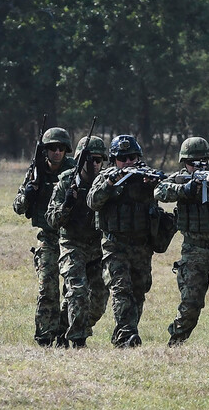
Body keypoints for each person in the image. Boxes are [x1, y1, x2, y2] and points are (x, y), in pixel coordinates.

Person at [154, 137, 209, 348]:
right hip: (193, 249)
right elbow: (159, 191)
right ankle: (176, 342)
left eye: (202, 162)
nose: (198, 166)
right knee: (190, 302)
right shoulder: (181, 179)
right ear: (184, 163)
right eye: (193, 163)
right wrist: (186, 189)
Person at [87, 134, 161, 348]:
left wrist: (152, 185)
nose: (128, 162)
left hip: (141, 245)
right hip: (114, 244)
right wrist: (110, 184)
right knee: (121, 289)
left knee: (139, 291)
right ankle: (127, 336)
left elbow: (166, 192)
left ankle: (124, 333)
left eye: (132, 158)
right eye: (122, 158)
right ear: (114, 160)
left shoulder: (147, 176)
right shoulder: (106, 177)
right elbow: (92, 201)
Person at [46, 135, 109, 349]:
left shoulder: (106, 183)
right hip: (72, 244)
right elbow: (52, 219)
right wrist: (67, 205)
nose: (93, 164)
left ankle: (66, 328)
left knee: (99, 300)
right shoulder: (66, 182)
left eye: (98, 160)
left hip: (97, 247)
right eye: (88, 159)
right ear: (79, 159)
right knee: (78, 292)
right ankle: (78, 341)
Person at [13, 126, 74, 346]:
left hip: (72, 237)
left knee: (73, 291)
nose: (56, 152)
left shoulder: (73, 171)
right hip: (48, 238)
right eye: (51, 148)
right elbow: (18, 207)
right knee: (47, 287)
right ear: (45, 151)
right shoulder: (35, 172)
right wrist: (29, 193)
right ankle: (45, 336)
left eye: (60, 148)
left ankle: (65, 334)